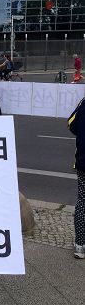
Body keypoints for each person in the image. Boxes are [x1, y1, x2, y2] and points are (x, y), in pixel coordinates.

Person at [68, 98, 85, 259]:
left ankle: (80, 245)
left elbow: (71, 124)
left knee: (83, 201)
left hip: (83, 162)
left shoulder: (84, 102)